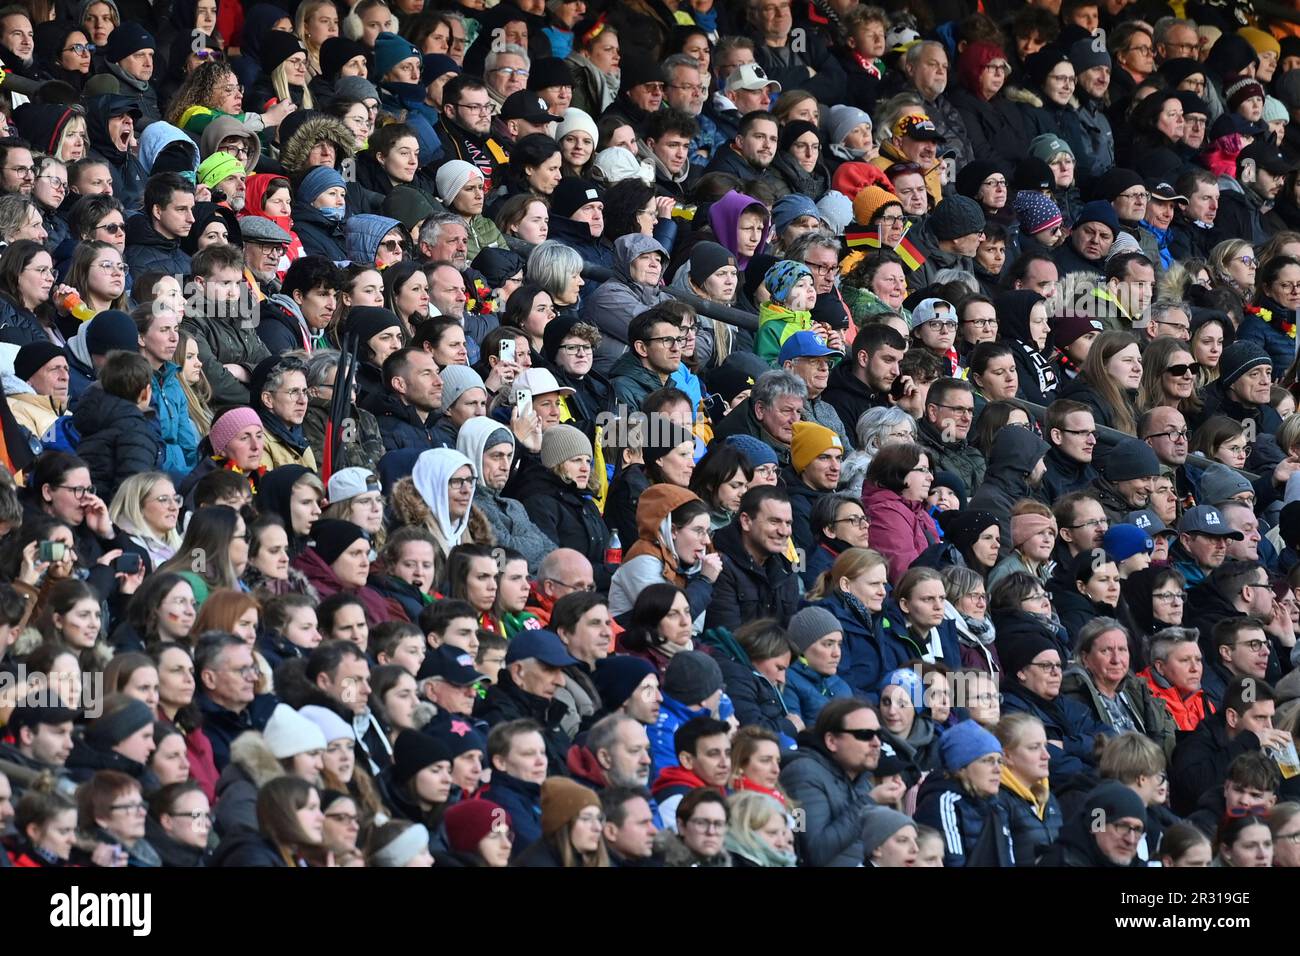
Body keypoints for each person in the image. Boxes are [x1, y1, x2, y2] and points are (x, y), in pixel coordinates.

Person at [779, 698, 888, 867]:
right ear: (831, 741)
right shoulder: (803, 773)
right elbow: (814, 852)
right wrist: (868, 803)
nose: (876, 743)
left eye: (879, 735)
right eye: (865, 735)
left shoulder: (861, 780)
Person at [706, 485, 799, 630]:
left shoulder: (786, 570)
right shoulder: (719, 566)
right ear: (746, 521)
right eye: (774, 521)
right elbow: (727, 641)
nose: (784, 531)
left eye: (788, 523)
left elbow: (792, 634)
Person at [1037, 781, 1148, 868]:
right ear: (1095, 825)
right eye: (1123, 827)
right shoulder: (1058, 862)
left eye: (1138, 829)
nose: (1131, 840)